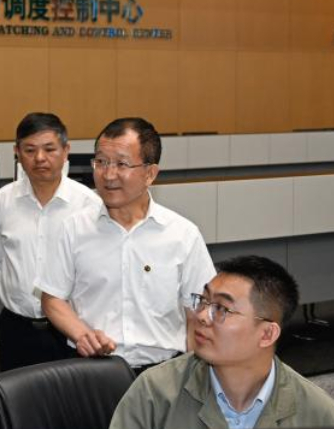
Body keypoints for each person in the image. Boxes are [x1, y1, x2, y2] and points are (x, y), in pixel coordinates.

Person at [38, 117, 215, 371]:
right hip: (93, 369)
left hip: (163, 371)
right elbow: (52, 298)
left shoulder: (182, 235)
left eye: (122, 164)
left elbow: (199, 313)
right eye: (101, 162)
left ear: (150, 174)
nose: (108, 175)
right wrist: (82, 335)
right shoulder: (74, 228)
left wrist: (191, 374)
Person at [109, 256, 334, 429]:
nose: (201, 316)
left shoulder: (316, 412)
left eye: (221, 309)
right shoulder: (155, 392)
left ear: (267, 334)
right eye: (203, 301)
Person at [0, 113, 100, 372]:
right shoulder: (1, 201)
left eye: (49, 149)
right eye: (30, 150)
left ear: (66, 150)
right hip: (16, 327)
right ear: (17, 152)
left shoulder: (89, 204)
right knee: (14, 405)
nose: (40, 158)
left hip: (70, 330)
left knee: (69, 406)